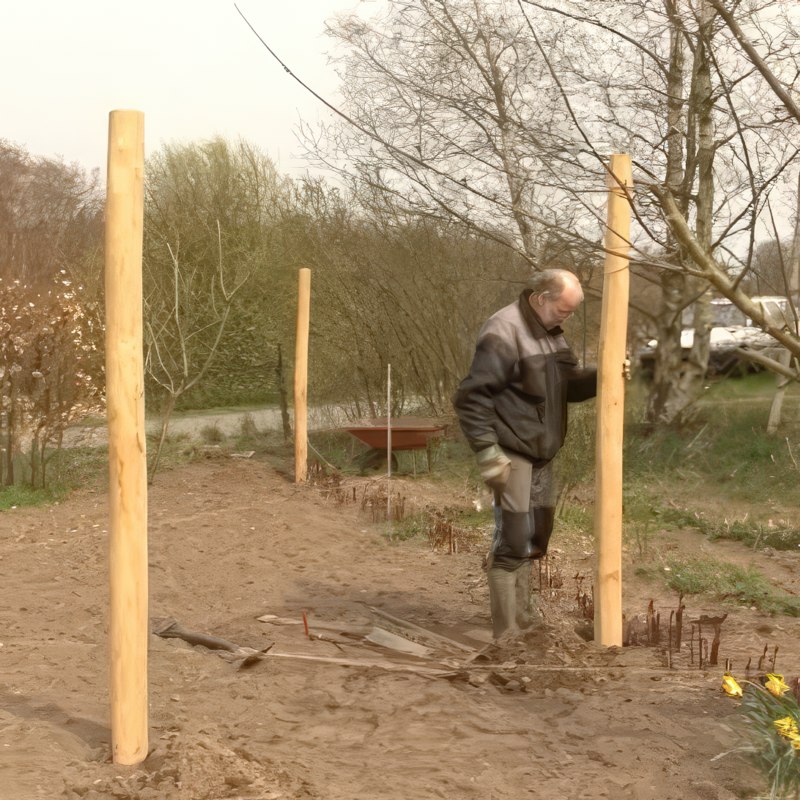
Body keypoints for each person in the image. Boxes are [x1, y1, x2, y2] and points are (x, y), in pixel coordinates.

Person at [453, 269, 597, 639]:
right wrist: (486, 450)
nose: (567, 317)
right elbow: (473, 397)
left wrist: (605, 375)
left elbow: (569, 388)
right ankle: (506, 632)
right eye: (563, 310)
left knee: (535, 537)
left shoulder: (551, 335)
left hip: (542, 453)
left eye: (571, 312)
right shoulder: (504, 330)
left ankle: (526, 620)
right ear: (540, 298)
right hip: (510, 449)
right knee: (513, 539)